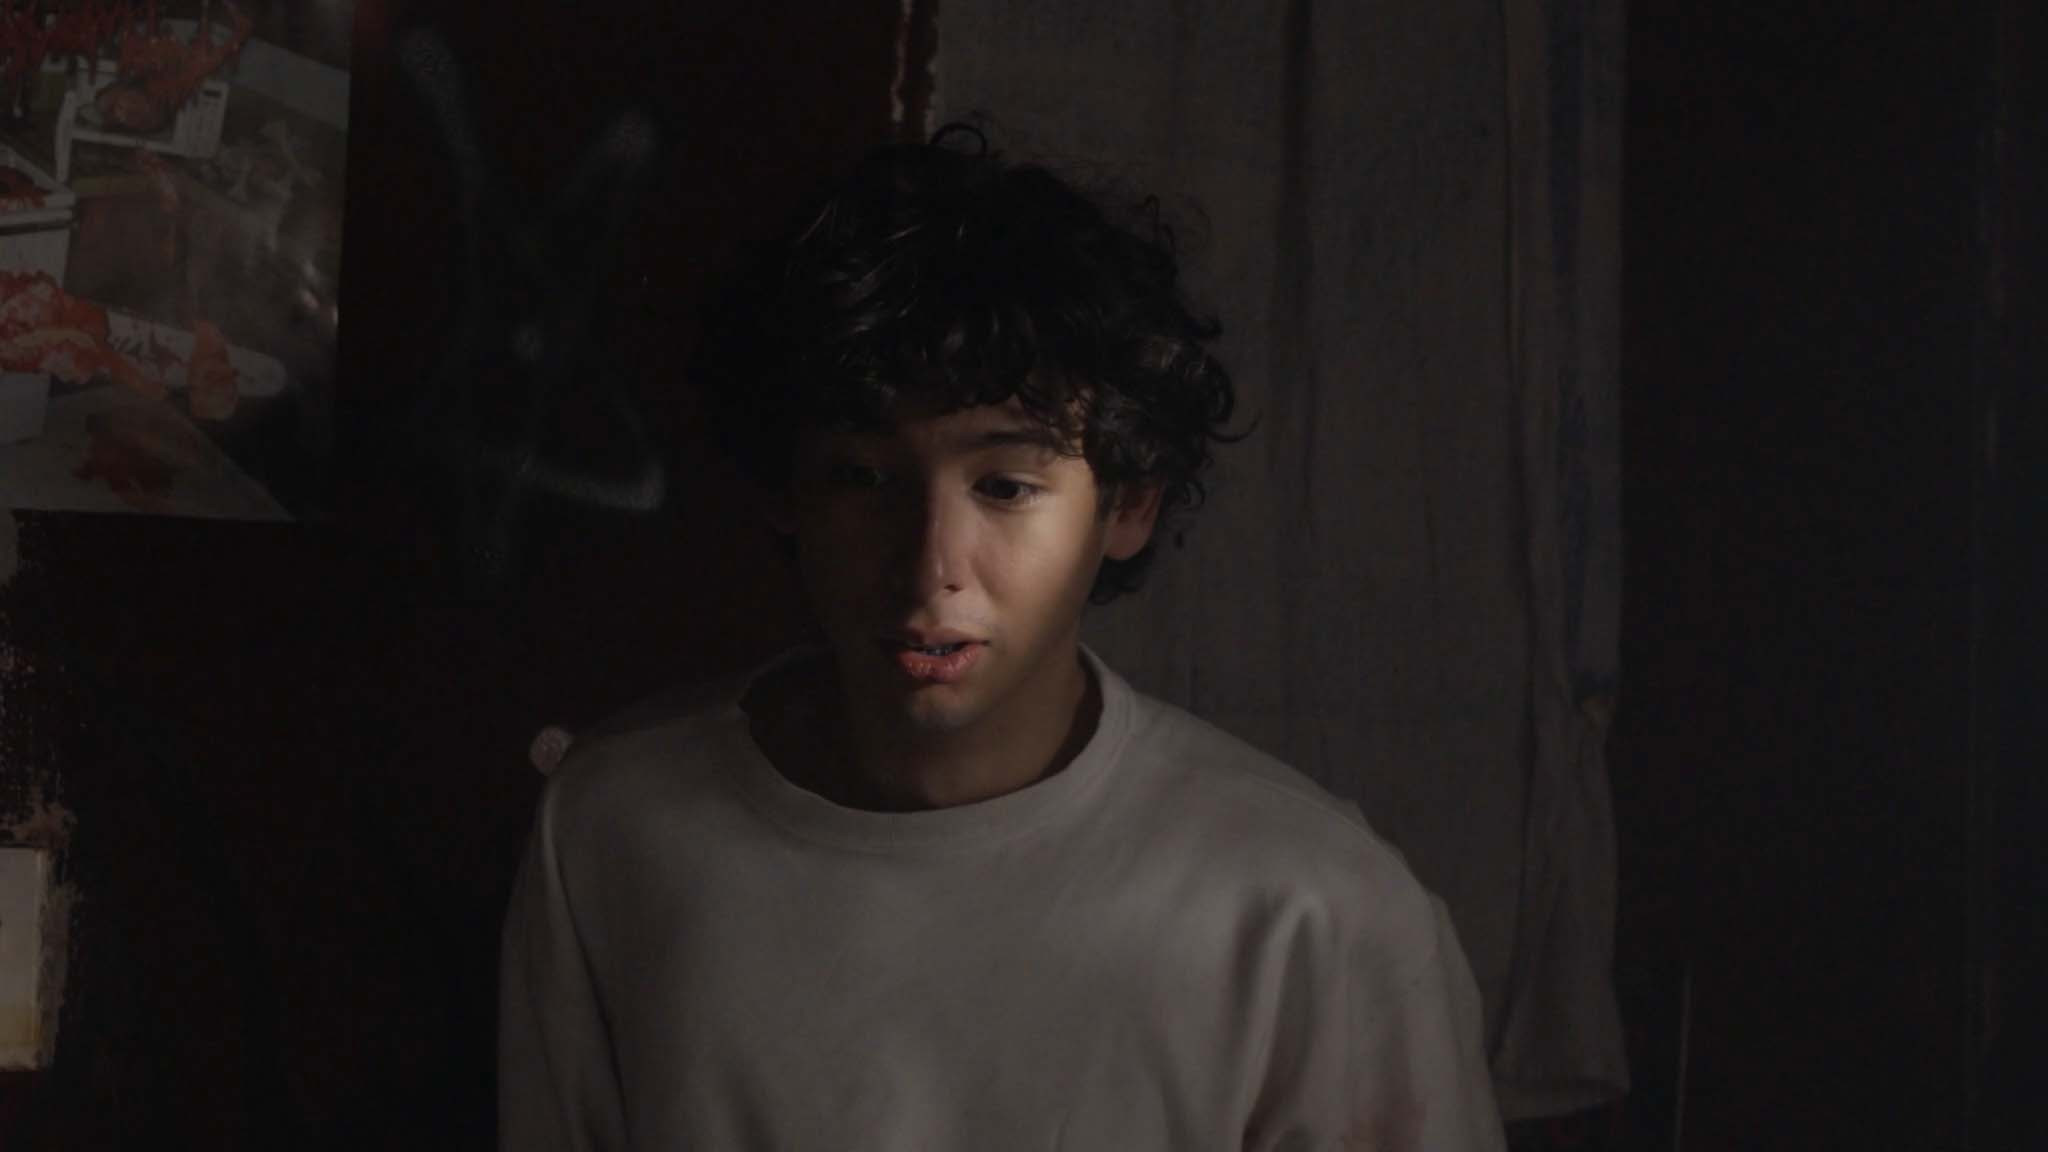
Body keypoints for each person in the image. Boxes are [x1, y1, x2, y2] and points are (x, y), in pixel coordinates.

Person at [498, 124, 1507, 1151]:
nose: (929, 565)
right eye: (862, 478)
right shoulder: (615, 828)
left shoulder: (1312, 912)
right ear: (785, 490)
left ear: (1128, 502)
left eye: (1006, 486)